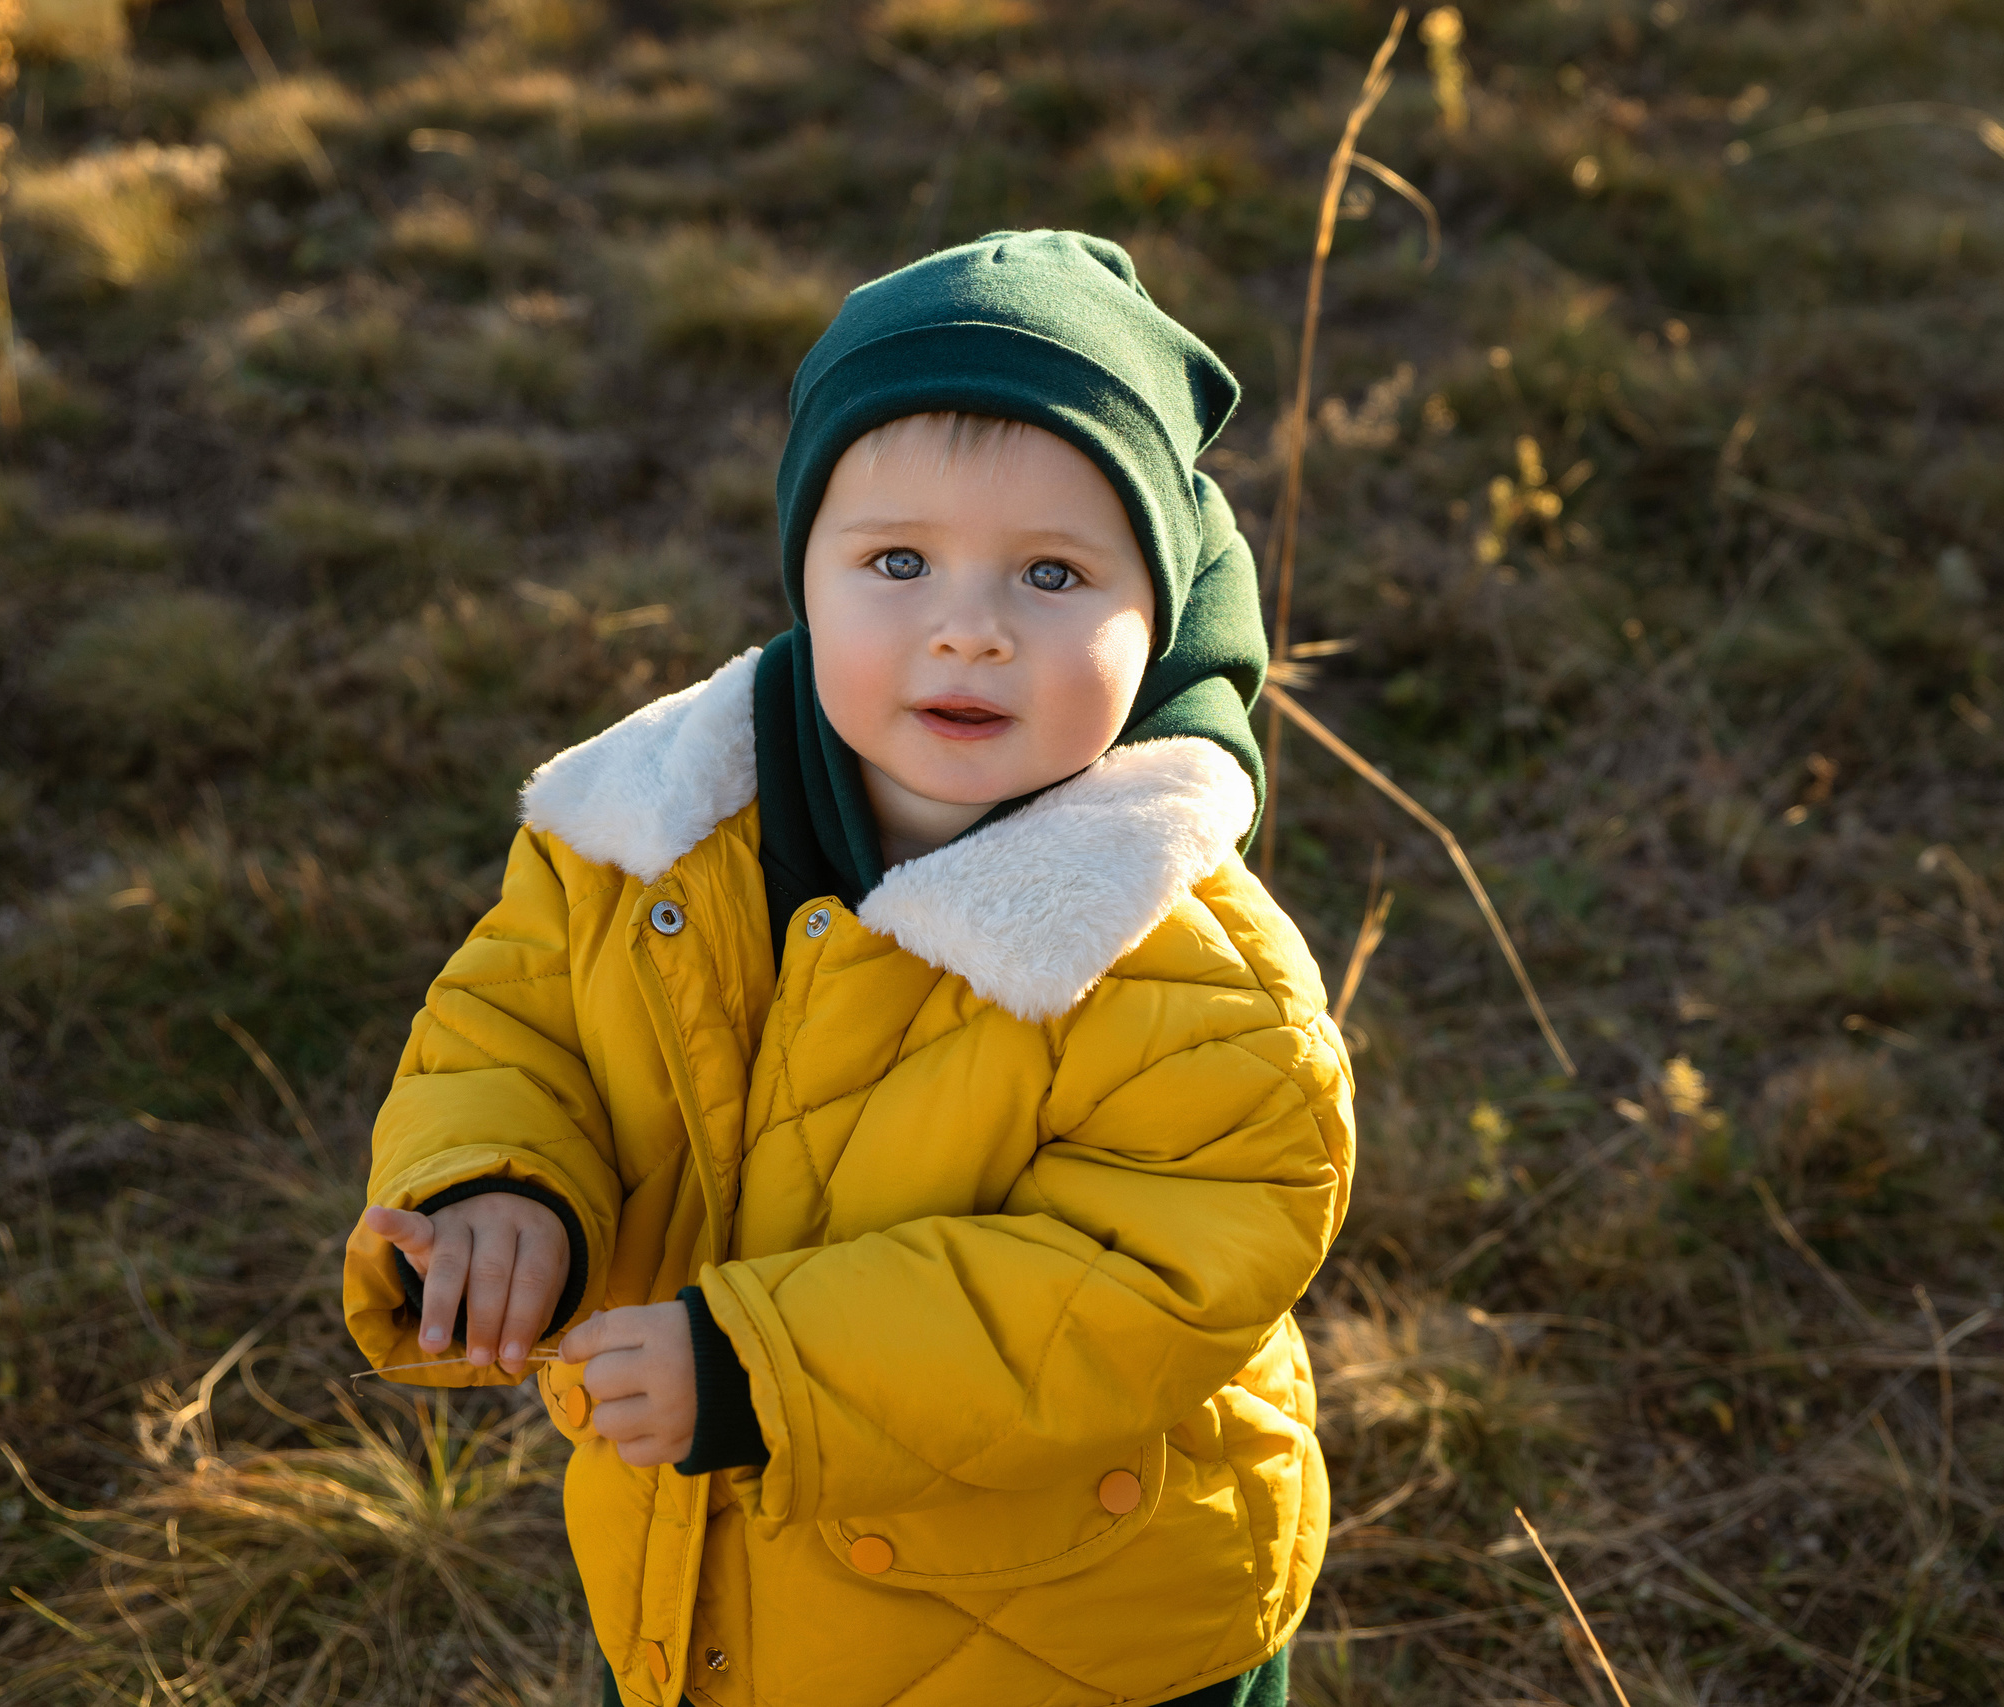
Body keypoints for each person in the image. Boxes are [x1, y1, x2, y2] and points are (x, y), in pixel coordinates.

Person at [343, 230, 1355, 1707]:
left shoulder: (1180, 959)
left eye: (1055, 575)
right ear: (802, 572)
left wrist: (761, 1370)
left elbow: (1140, 1282)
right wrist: (499, 1187)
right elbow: (517, 1017)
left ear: (1166, 615)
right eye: (896, 560)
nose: (969, 626)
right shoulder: (647, 833)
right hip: (720, 1592)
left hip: (1076, 1629)